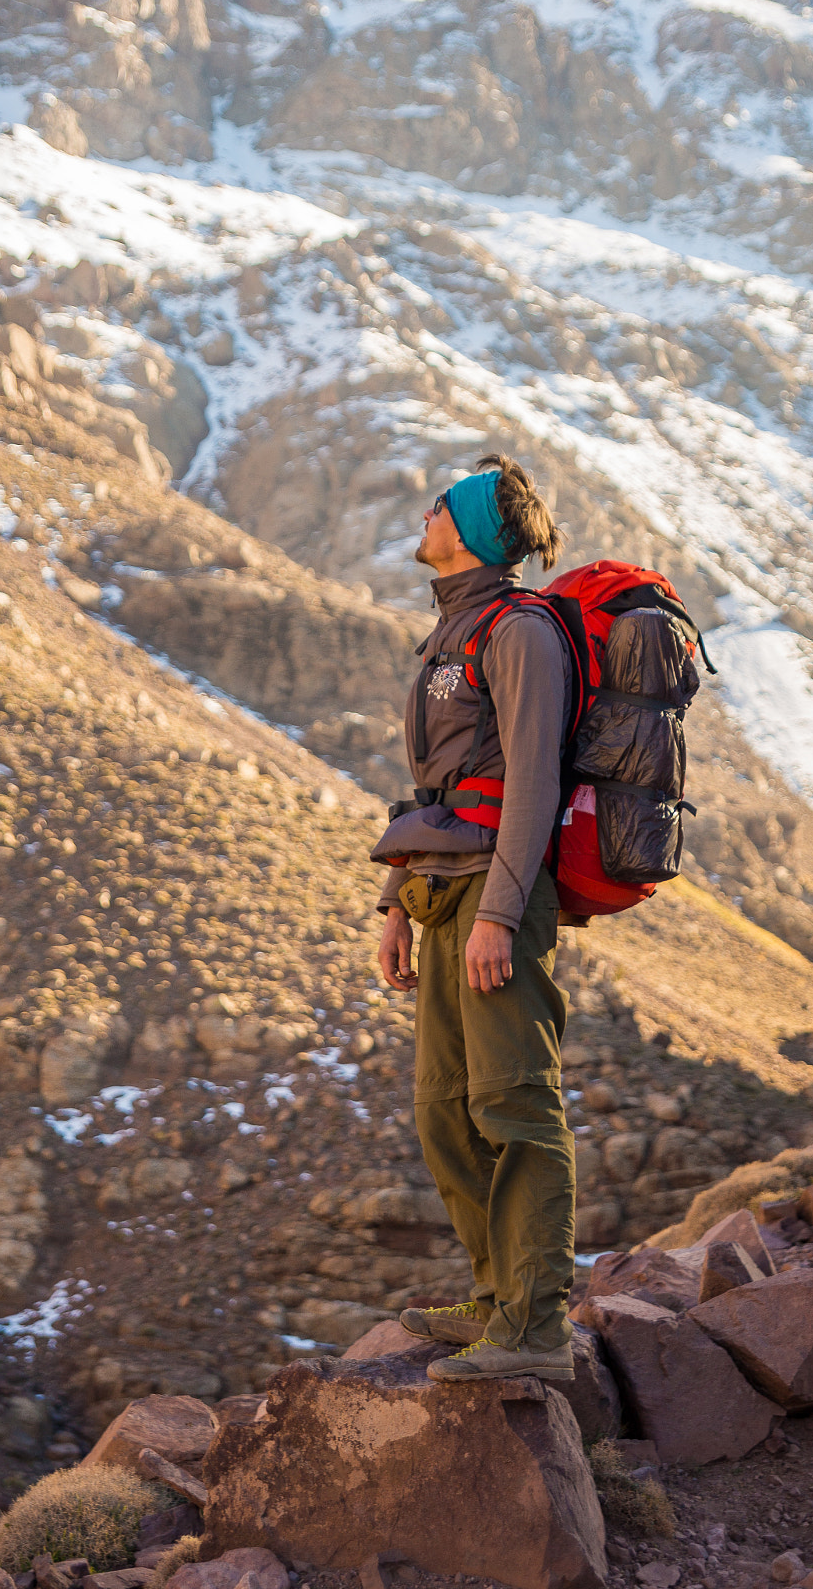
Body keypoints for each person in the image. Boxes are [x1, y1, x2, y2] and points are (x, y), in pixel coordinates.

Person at [371, 453, 576, 1383]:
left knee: (513, 1105)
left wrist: (500, 911)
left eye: (443, 507)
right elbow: (436, 789)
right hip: (438, 892)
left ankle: (536, 1332)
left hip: (497, 898)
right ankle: (496, 1298)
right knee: (444, 1113)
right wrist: (393, 902)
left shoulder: (520, 632)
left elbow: (534, 782)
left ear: (478, 535)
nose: (427, 512)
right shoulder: (449, 634)